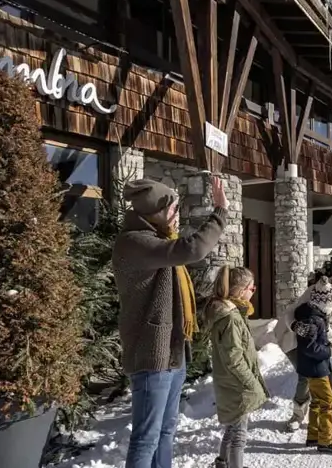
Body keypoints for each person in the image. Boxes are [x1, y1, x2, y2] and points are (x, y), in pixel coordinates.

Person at [113, 177, 229, 468]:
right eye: (174, 209)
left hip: (172, 351)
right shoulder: (135, 242)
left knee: (166, 431)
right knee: (146, 437)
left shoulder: (158, 239)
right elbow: (193, 249)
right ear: (156, 211)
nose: (178, 215)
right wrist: (219, 212)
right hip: (152, 354)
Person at [275, 258, 332, 431]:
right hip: (292, 338)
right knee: (305, 375)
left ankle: (330, 413)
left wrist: (324, 337)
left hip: (317, 340)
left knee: (330, 371)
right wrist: (295, 326)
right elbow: (291, 311)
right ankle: (297, 415)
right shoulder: (317, 291)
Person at [205, 266, 269, 468]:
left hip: (230, 382)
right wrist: (252, 383)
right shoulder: (231, 318)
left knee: (232, 427)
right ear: (241, 291)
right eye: (252, 288)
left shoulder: (231, 313)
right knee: (239, 434)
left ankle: (223, 462)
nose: (254, 290)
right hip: (236, 385)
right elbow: (234, 359)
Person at [292, 277, 332, 454]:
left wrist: (329, 343)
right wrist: (329, 350)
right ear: (324, 302)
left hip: (312, 366)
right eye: (331, 302)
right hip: (316, 367)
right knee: (327, 402)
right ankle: (326, 441)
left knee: (317, 401)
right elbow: (310, 347)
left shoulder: (313, 316)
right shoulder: (312, 320)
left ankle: (314, 435)